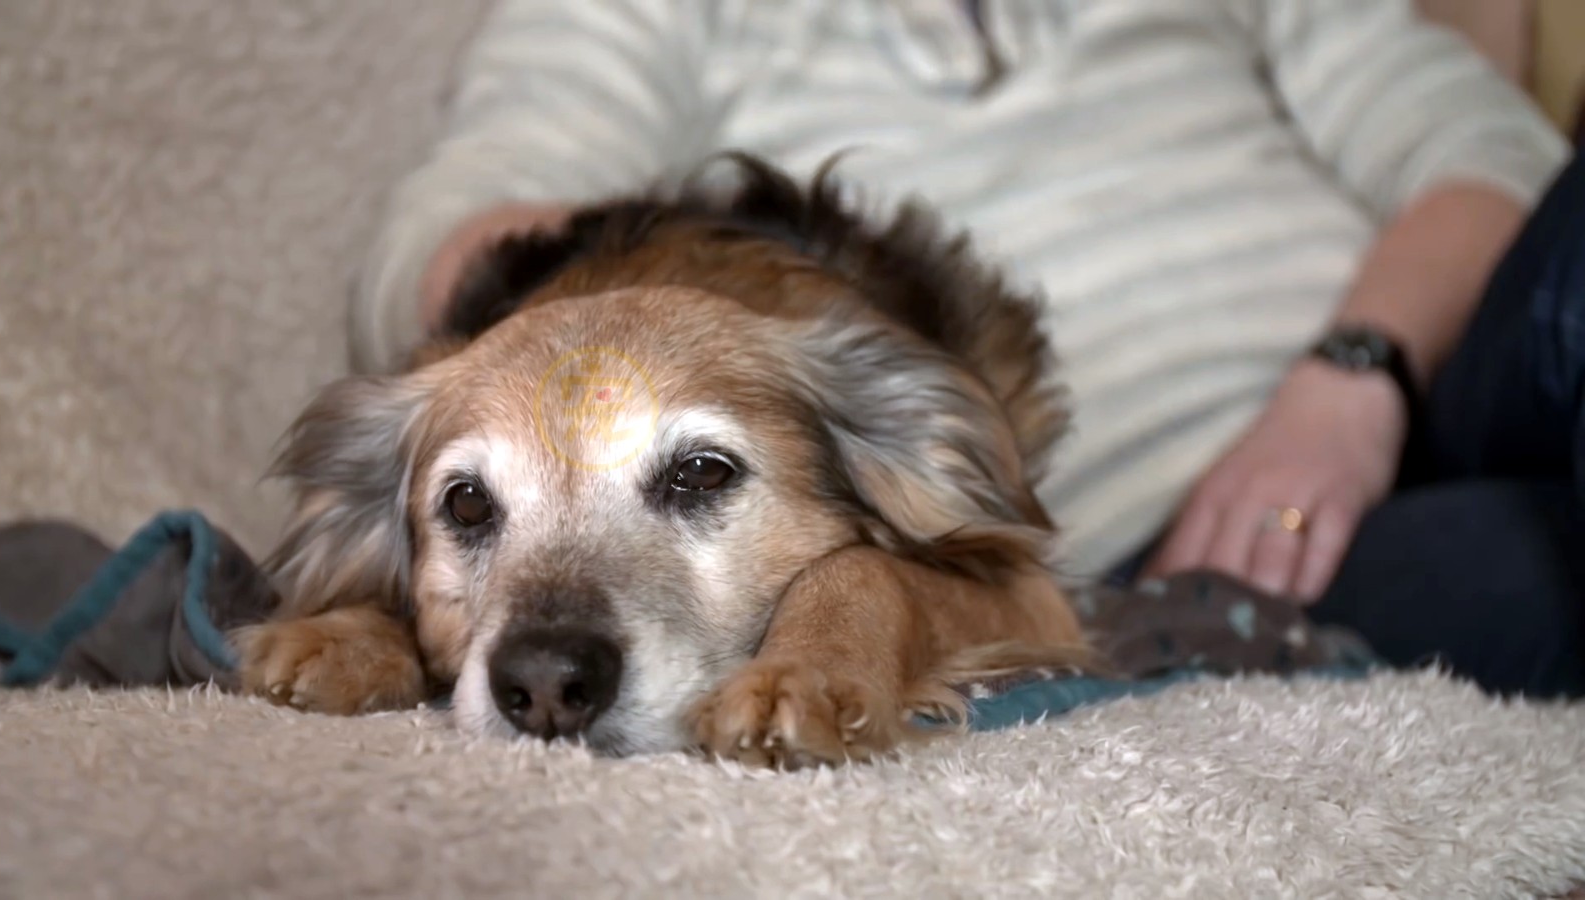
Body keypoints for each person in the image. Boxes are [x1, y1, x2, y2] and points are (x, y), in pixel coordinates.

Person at [346, 0, 1583, 697]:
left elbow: (1499, 162)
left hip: (1433, 375)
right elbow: (446, 252)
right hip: (1238, 558)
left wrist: (1350, 383)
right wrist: (746, 298)